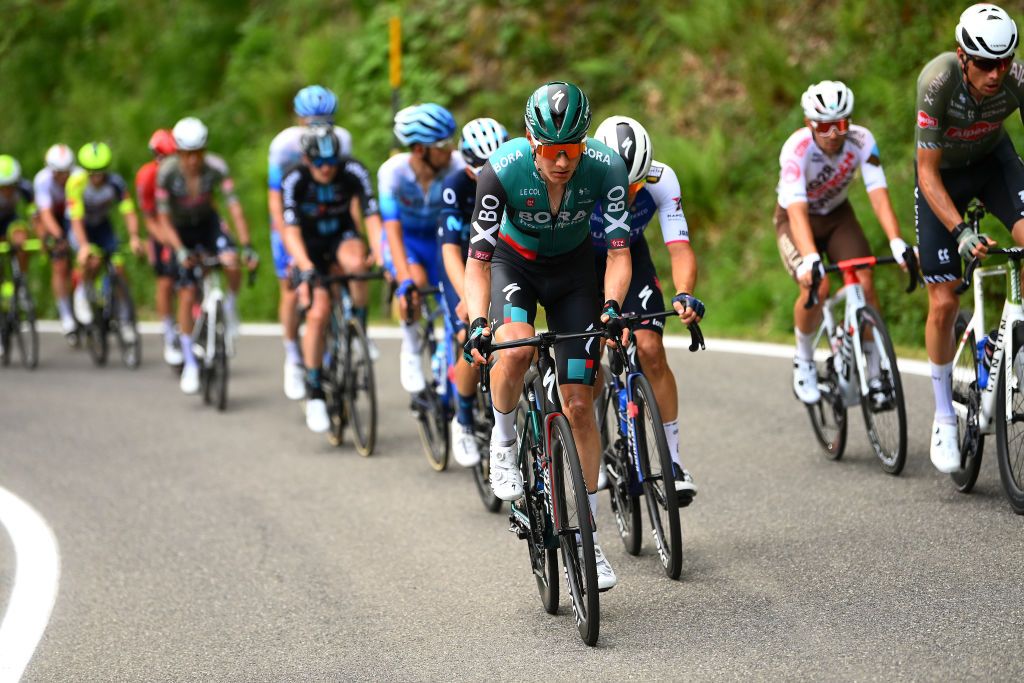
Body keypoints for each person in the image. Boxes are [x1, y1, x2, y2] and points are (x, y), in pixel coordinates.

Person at [463, 81, 631, 590]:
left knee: (579, 401)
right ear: (532, 141)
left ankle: (587, 537)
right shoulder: (502, 170)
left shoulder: (607, 167)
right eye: (551, 151)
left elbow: (619, 254)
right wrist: (476, 322)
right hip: (516, 266)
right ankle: (504, 438)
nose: (562, 161)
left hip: (576, 273)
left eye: (571, 150)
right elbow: (478, 262)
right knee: (512, 349)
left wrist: (611, 308)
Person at [915, 3, 1023, 473]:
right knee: (942, 302)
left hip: (994, 164)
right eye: (983, 63)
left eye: (1003, 62)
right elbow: (926, 172)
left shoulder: (1016, 76)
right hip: (945, 180)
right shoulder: (937, 82)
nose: (995, 74)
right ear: (963, 56)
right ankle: (942, 414)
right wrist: (958, 230)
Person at [776, 80, 913, 406]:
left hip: (838, 216)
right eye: (824, 126)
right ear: (810, 123)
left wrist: (896, 241)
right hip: (795, 220)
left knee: (865, 281)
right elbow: (796, 211)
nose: (833, 133)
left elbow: (878, 193)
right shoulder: (796, 150)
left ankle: (877, 373)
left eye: (840, 124)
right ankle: (805, 360)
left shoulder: (863, 141)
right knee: (817, 287)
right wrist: (809, 258)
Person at [591, 115, 704, 498]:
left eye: (636, 184)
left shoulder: (660, 179)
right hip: (582, 262)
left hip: (631, 258)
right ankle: (592, 439)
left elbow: (679, 246)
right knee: (588, 367)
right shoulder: (580, 178)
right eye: (622, 186)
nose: (629, 193)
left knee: (652, 349)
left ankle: (672, 460)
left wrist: (684, 292)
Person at [280, 125, 380, 432]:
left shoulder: (352, 170)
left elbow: (371, 214)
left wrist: (378, 250)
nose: (326, 169)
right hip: (308, 247)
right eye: (319, 163)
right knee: (319, 311)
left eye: (331, 162)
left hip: (341, 237)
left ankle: (357, 329)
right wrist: (306, 266)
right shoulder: (294, 178)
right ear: (307, 160)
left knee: (357, 265)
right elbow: (290, 230)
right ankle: (314, 393)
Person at [156, 117, 256, 395]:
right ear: (178, 153)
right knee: (187, 294)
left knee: (232, 260)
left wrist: (246, 243)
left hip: (207, 224)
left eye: (198, 153)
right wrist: (179, 250)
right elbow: (163, 218)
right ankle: (190, 361)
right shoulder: (166, 173)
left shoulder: (216, 168)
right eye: (187, 154)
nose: (192, 160)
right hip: (180, 231)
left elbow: (233, 207)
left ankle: (231, 309)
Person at [268, 85, 354, 401]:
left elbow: (348, 188)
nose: (319, 127)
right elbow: (276, 199)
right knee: (291, 288)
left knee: (334, 277)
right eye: (312, 120)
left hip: (326, 218)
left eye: (326, 120)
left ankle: (339, 335)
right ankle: (293, 354)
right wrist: (287, 242)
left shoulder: (341, 140)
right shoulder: (283, 146)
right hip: (291, 221)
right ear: (298, 119)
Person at [437, 117, 509, 466]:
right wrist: (466, 294)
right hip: (464, 266)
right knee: (471, 331)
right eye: (481, 169)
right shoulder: (454, 186)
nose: (489, 176)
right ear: (467, 166)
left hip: (498, 262)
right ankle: (463, 417)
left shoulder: (518, 176)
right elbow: (450, 249)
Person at [377, 103, 463, 394]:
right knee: (413, 287)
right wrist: (404, 282)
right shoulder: (393, 172)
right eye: (441, 145)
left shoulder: (458, 167)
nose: (450, 150)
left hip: (442, 242)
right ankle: (411, 349)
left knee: (456, 306)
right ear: (418, 150)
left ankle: (447, 360)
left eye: (450, 142)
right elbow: (392, 231)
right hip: (408, 240)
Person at [65, 142, 143, 327]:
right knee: (90, 260)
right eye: (92, 172)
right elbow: (75, 219)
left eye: (101, 171)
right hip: (81, 226)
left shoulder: (115, 183)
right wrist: (83, 245)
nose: (97, 177)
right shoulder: (76, 183)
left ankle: (124, 313)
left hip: (102, 225)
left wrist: (134, 236)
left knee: (119, 267)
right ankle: (83, 292)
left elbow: (128, 211)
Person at [135, 129, 182, 364]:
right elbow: (149, 218)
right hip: (160, 229)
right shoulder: (146, 176)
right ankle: (168, 330)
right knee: (165, 280)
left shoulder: (183, 172)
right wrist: (168, 241)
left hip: (182, 223)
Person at [34, 144, 77, 335]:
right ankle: (65, 313)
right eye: (58, 173)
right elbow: (45, 214)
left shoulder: (78, 177)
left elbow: (77, 214)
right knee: (59, 264)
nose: (63, 178)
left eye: (66, 172)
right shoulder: (42, 180)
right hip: (52, 217)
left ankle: (83, 292)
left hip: (73, 215)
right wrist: (58, 236)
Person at [0, 155, 38, 275]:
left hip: (10, 219)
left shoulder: (24, 187)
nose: (8, 191)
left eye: (11, 185)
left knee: (20, 238)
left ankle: (22, 280)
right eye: (3, 187)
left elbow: (35, 211)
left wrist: (36, 228)